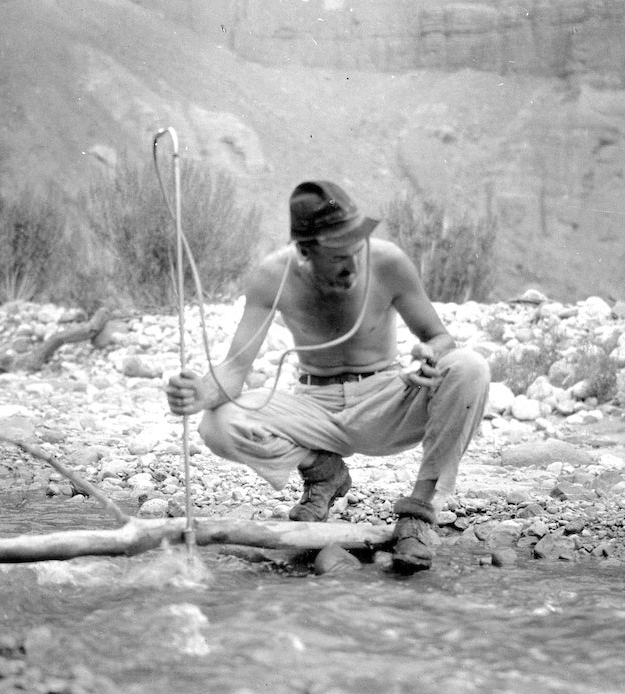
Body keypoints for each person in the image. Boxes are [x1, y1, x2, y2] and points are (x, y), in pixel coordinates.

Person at [164, 180, 489, 572]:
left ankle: (417, 514)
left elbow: (439, 337)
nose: (353, 265)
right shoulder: (272, 276)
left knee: (470, 367)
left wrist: (430, 354)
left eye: (357, 249)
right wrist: (199, 392)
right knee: (217, 423)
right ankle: (325, 474)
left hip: (386, 401)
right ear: (305, 251)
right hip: (313, 408)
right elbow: (235, 369)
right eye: (337, 255)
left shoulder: (388, 262)